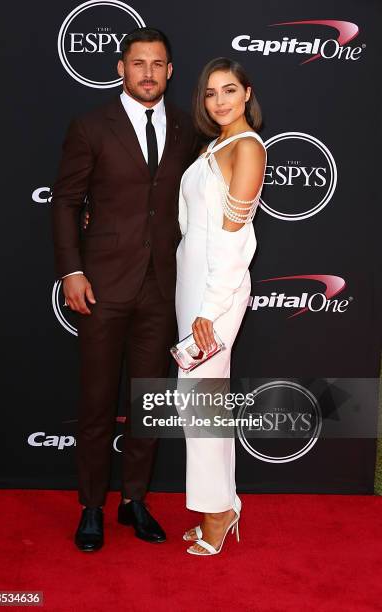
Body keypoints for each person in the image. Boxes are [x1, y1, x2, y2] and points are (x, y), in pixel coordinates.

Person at [51, 27, 198, 552]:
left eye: (158, 64)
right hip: (103, 285)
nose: (148, 73)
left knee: (148, 400)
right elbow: (65, 202)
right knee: (95, 402)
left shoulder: (186, 127)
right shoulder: (91, 126)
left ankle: (134, 500)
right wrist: (71, 271)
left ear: (170, 72)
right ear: (121, 68)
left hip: (162, 287)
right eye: (139, 64)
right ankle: (91, 505)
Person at [175, 57, 266, 555]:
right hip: (192, 287)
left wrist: (209, 308)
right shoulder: (215, 145)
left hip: (216, 293)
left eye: (229, 90)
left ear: (247, 93)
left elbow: (235, 239)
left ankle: (217, 513)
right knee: (203, 404)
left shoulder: (247, 148)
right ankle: (222, 502)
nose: (220, 101)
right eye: (211, 93)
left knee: (202, 406)